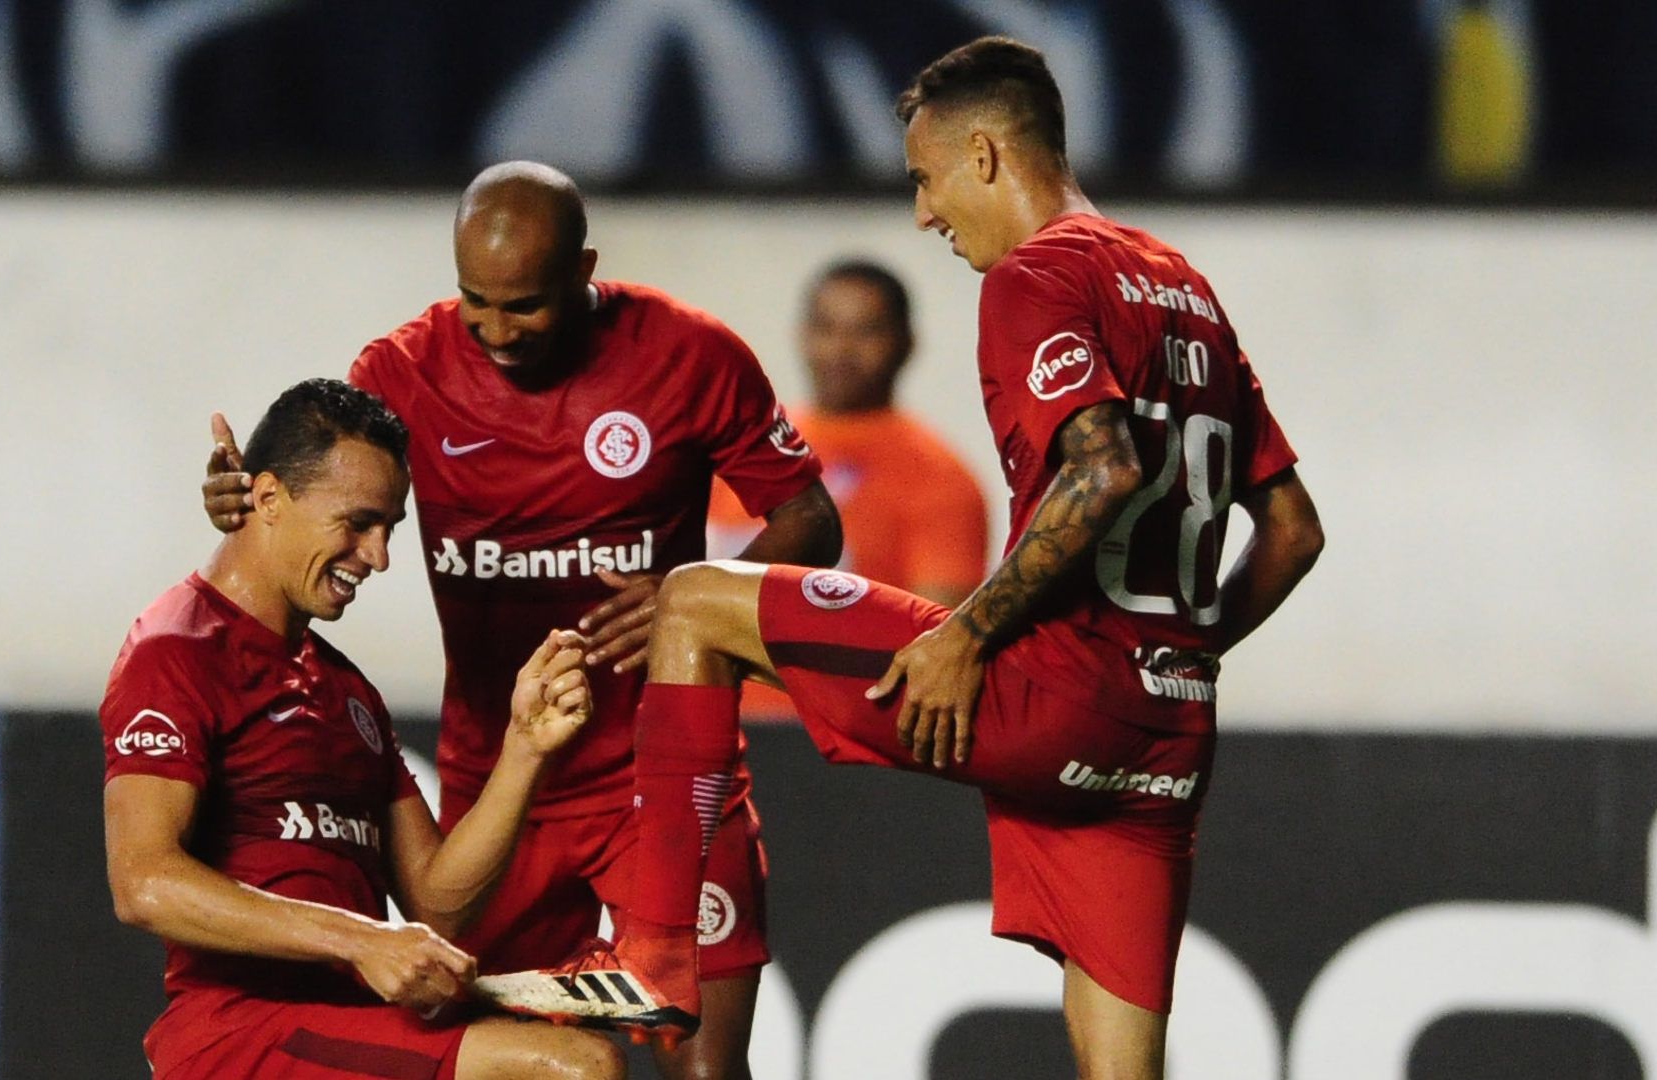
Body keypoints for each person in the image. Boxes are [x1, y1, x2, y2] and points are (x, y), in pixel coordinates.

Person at [480, 36, 1325, 1080]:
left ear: (983, 156)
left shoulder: (1037, 276)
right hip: (1165, 739)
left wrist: (968, 634)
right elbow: (1291, 531)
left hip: (1055, 691)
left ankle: (655, 953)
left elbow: (1099, 471)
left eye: (925, 179)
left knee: (696, 602)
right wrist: (1176, 662)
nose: (924, 214)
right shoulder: (1184, 289)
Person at [202, 164, 842, 1074]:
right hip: (504, 780)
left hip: (665, 770)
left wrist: (695, 594)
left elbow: (812, 520)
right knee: (520, 1068)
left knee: (704, 1068)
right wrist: (249, 502)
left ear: (585, 268)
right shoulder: (404, 371)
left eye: (526, 307)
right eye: (477, 304)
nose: (498, 333)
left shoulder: (690, 355)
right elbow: (323, 500)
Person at [103, 378, 625, 1079]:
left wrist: (524, 750)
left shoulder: (345, 689)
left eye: (389, 529)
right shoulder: (177, 650)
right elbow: (143, 882)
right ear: (266, 500)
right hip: (239, 1035)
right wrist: (359, 940)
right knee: (574, 1069)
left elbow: (438, 905)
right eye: (357, 523)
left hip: (343, 1030)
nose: (378, 556)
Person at [708, 258, 989, 716]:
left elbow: (937, 648)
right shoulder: (742, 449)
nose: (840, 350)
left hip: (842, 742)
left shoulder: (941, 479)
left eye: (866, 332)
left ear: (906, 344)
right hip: (719, 723)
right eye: (825, 327)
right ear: (802, 334)